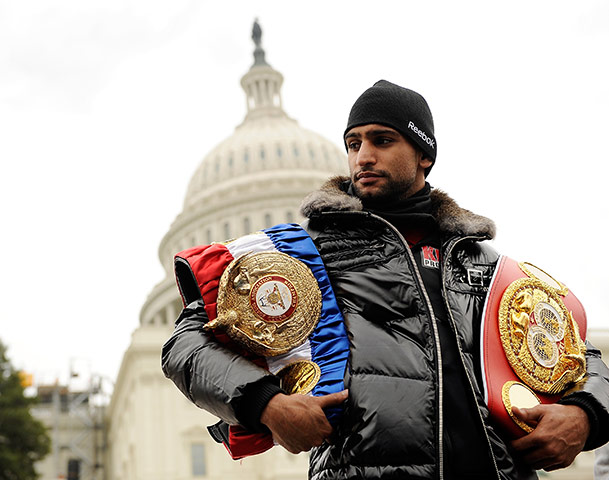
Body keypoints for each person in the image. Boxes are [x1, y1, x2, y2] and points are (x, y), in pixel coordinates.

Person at [162, 80, 609, 479]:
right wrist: (266, 403)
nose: (364, 156)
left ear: (424, 155)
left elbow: (578, 355)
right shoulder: (303, 254)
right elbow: (185, 344)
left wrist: (585, 413)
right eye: (353, 143)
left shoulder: (484, 265)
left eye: (382, 140)